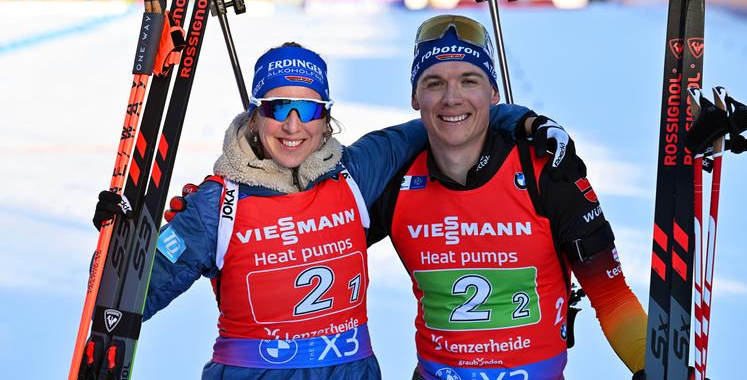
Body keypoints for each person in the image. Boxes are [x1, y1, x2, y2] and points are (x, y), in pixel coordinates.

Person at [93, 42, 548, 379]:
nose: (293, 126)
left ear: (326, 117)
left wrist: (523, 121)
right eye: (278, 107)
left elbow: (447, 118)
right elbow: (126, 300)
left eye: (308, 109)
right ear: (255, 114)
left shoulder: (355, 173)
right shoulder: (217, 203)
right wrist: (121, 243)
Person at [366, 15, 648, 380]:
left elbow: (611, 295)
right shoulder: (395, 180)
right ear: (415, 96)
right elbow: (318, 248)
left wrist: (650, 365)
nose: (452, 98)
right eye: (434, 83)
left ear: (493, 94)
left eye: (470, 80)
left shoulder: (545, 172)